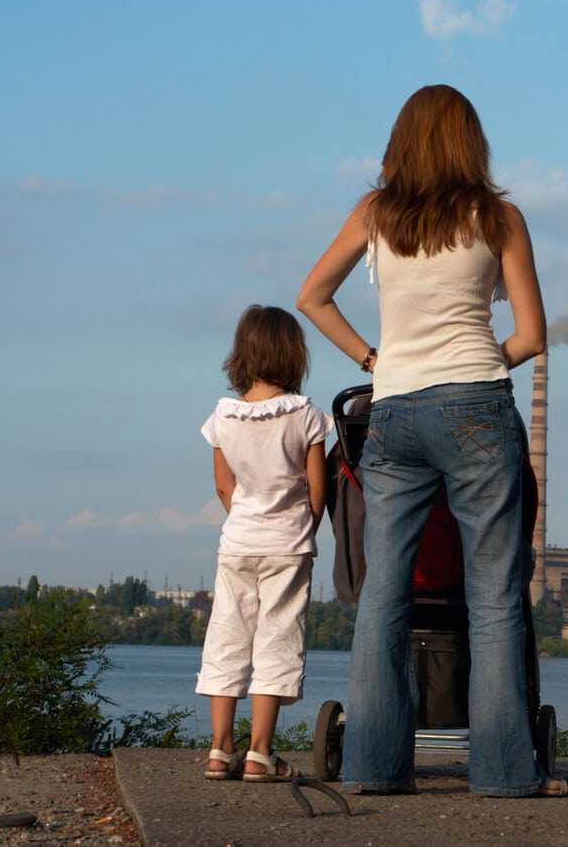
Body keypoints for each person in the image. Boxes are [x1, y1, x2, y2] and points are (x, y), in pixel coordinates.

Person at [297, 84, 566, 797]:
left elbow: (311, 296)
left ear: (403, 142)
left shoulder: (375, 214)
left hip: (394, 412)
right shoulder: (500, 217)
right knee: (495, 595)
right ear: (470, 142)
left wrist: (372, 360)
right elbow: (533, 336)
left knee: (383, 591)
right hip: (477, 407)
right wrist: (477, 363)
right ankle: (506, 772)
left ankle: (375, 768)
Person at [196, 304, 333, 782]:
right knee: (277, 640)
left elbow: (223, 488)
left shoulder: (223, 417)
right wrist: (303, 528)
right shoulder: (307, 416)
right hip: (288, 544)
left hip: (237, 543)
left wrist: (246, 522)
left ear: (242, 355)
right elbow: (318, 489)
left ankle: (219, 749)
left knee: (227, 637)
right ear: (293, 355)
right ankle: (260, 753)